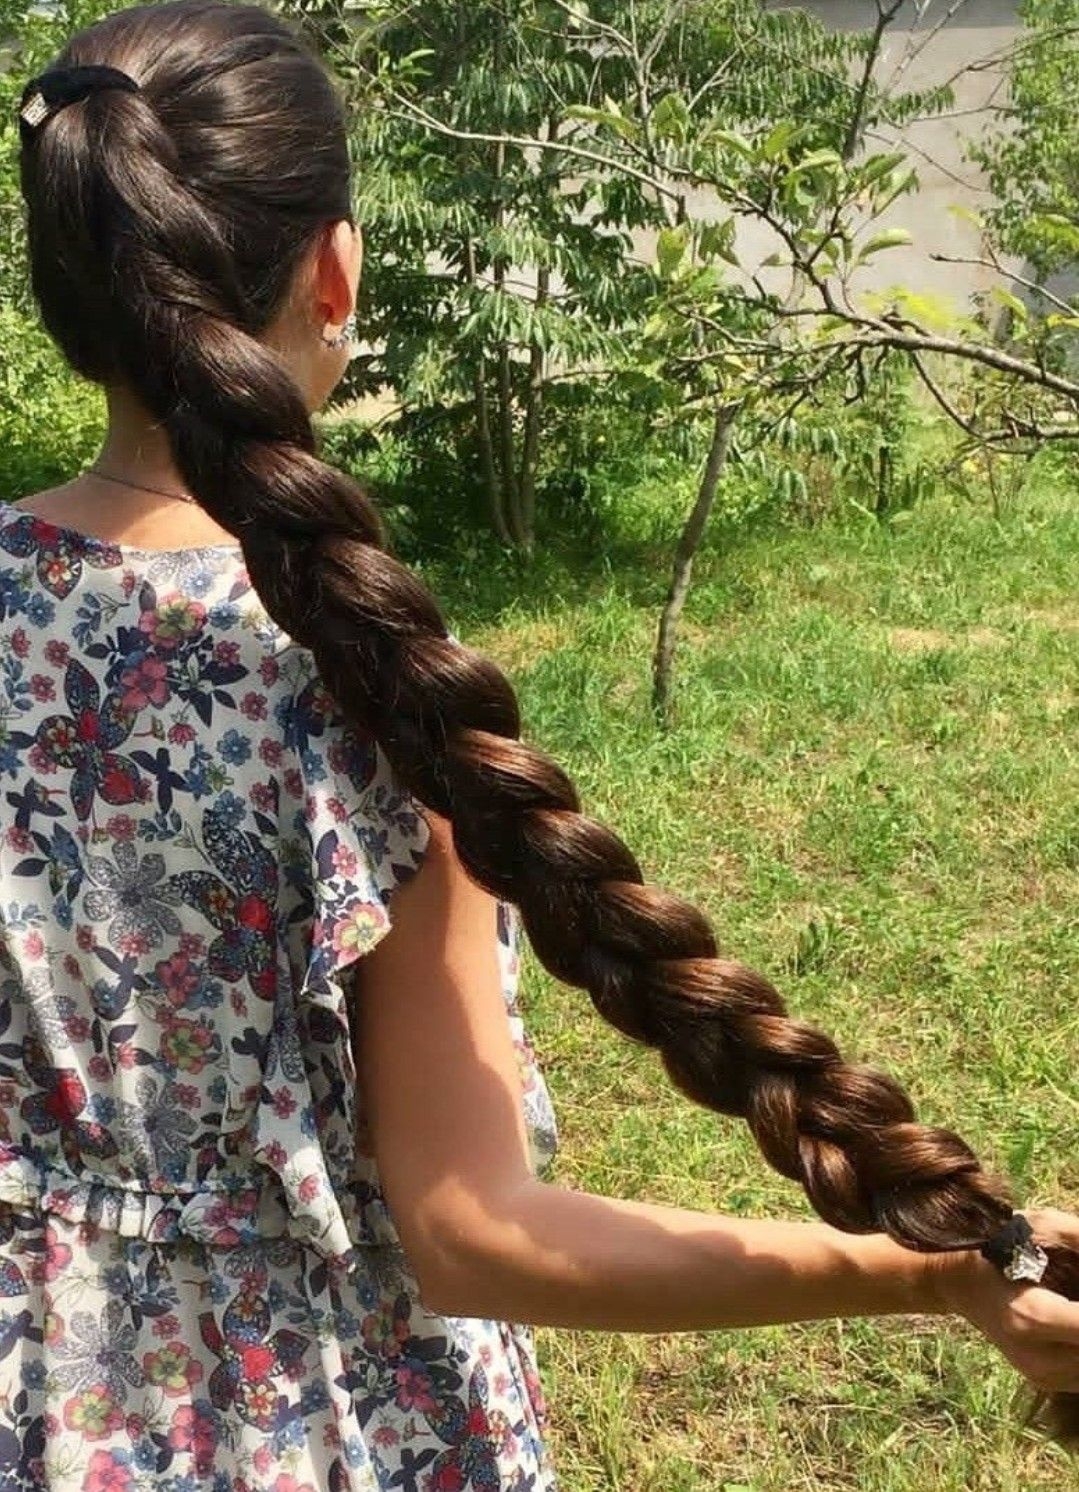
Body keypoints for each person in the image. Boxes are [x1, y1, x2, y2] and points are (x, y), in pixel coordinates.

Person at [2, 1, 1077, 1486]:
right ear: (334, 273)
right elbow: (473, 1235)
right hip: (306, 1427)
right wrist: (927, 1271)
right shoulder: (357, 680)